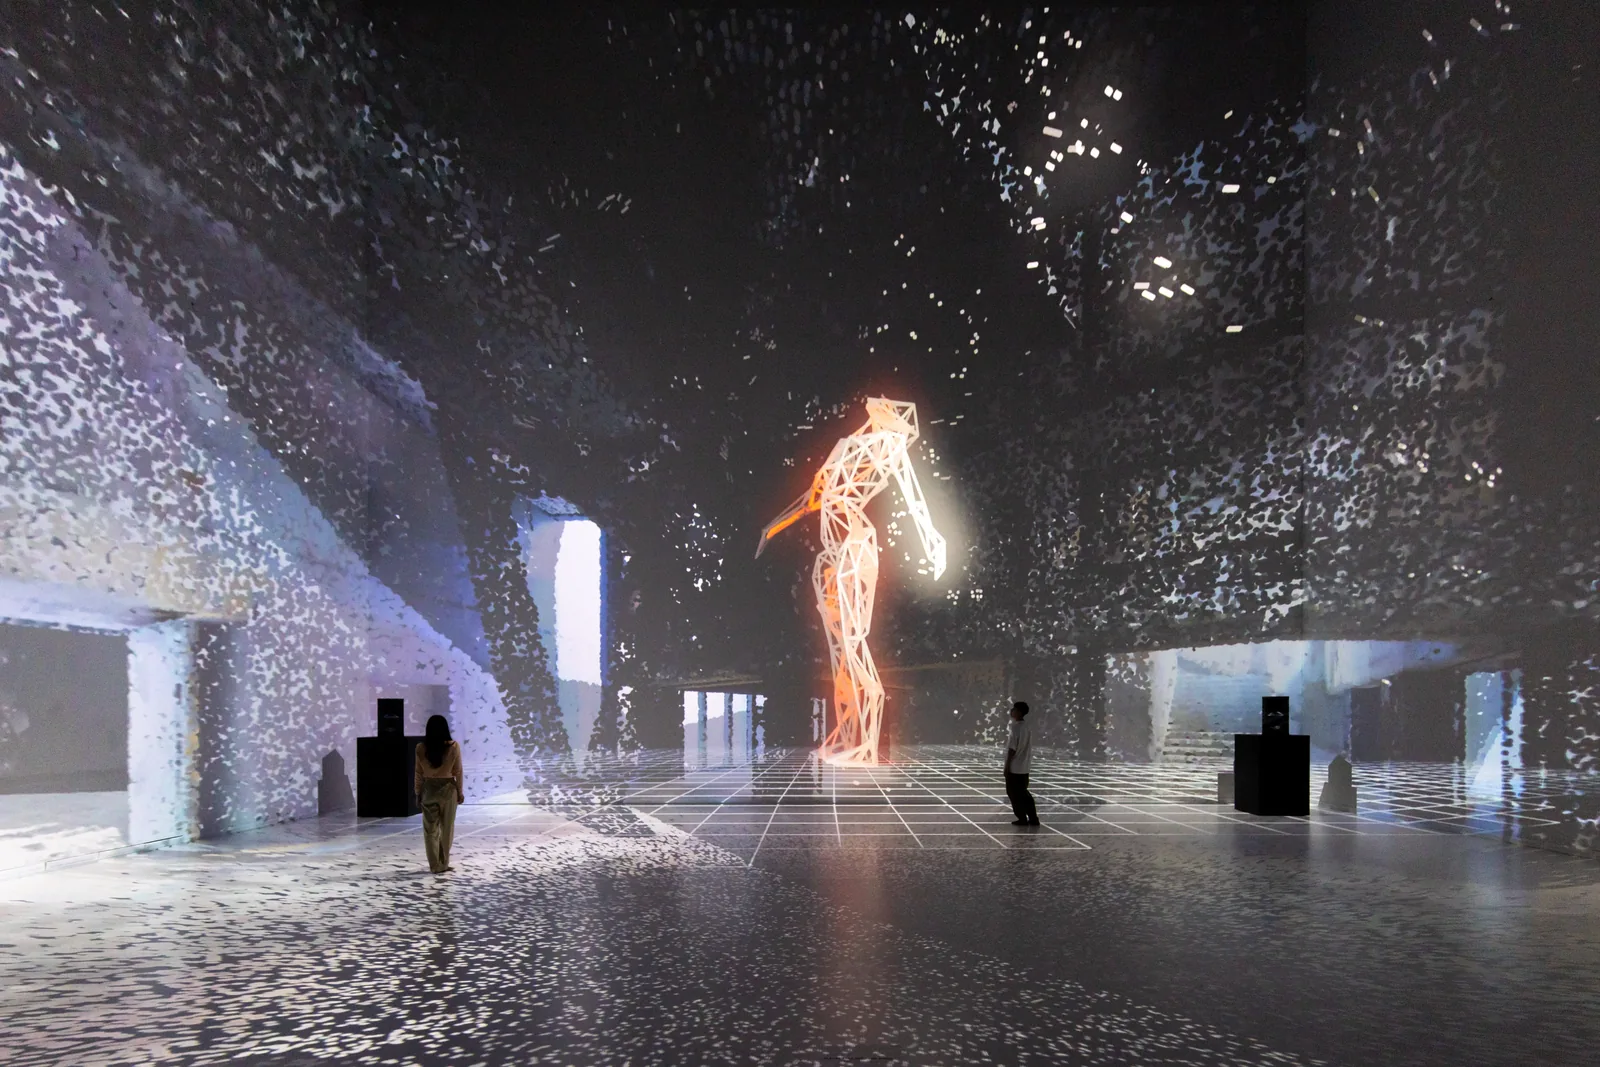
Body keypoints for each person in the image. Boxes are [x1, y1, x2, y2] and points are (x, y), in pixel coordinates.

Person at [415, 714, 464, 873]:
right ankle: (443, 863)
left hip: (429, 789)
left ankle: (434, 865)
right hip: (448, 789)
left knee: (430, 830)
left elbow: (418, 773)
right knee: (447, 828)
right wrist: (460, 791)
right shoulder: (453, 747)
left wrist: (417, 792)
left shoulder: (421, 748)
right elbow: (458, 771)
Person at [1005, 701, 1039, 826]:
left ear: (1019, 712)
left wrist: (1007, 766)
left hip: (1015, 767)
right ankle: (1033, 817)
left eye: (1014, 709)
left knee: (1014, 794)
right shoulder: (1027, 727)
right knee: (1024, 794)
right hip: (1024, 767)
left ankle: (1022, 818)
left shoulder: (1016, 727)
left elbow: (1012, 749)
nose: (1011, 711)